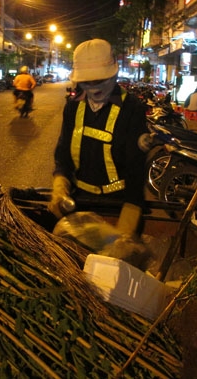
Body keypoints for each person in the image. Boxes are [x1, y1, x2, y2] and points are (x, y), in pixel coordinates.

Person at [48, 38, 148, 242]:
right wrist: (60, 184)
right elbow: (64, 154)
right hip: (79, 202)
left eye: (100, 81)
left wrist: (128, 222)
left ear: (114, 74)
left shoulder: (132, 109)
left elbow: (136, 168)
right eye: (87, 82)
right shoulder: (73, 107)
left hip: (119, 204)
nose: (94, 89)